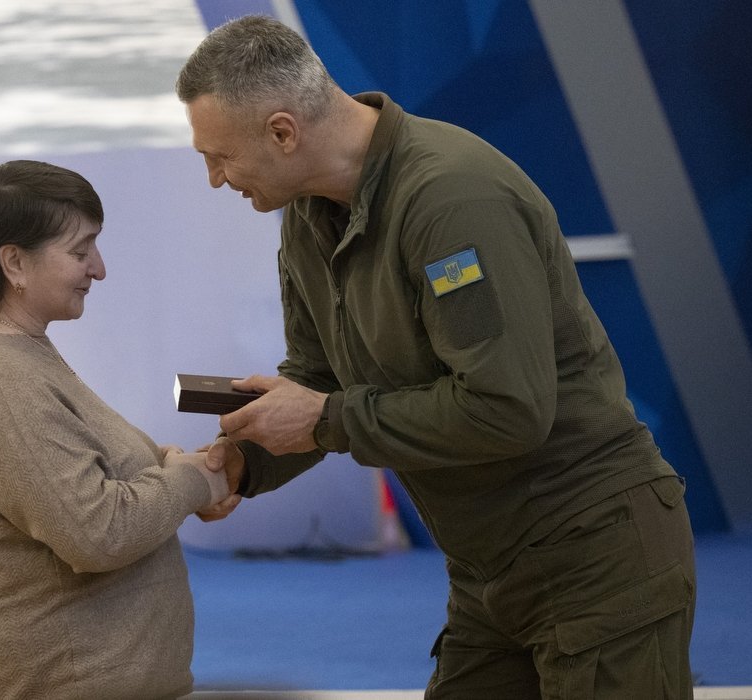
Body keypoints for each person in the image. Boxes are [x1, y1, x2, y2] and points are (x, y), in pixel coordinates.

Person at [176, 15, 696, 700]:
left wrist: (328, 418)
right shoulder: (308, 213)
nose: (215, 179)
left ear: (282, 132)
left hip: (592, 553)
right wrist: (244, 462)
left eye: (219, 157)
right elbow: (318, 377)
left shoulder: (452, 200)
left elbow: (504, 409)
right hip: (486, 570)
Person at [0, 159, 234, 699]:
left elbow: (77, 470)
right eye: (81, 251)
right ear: (15, 263)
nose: (99, 269)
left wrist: (169, 465)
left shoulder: (14, 353)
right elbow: (98, 533)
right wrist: (192, 483)